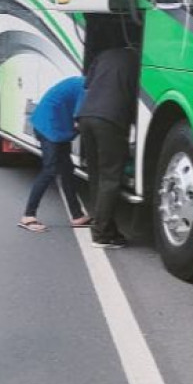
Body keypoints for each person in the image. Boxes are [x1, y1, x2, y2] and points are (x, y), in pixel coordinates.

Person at [75, 46, 140, 249]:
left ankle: (108, 228)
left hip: (86, 116)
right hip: (111, 120)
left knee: (96, 176)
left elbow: (88, 84)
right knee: (110, 177)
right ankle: (101, 234)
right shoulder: (140, 62)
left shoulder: (105, 53)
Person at [18, 76, 92, 232]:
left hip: (56, 125)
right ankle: (28, 216)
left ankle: (77, 216)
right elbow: (79, 122)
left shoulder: (84, 82)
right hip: (49, 126)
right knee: (50, 170)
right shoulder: (86, 88)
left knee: (67, 171)